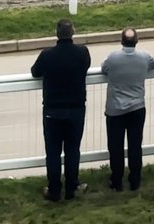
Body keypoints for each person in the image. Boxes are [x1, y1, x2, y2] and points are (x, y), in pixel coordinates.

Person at [31, 19, 91, 202]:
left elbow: (35, 72)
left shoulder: (47, 55)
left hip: (52, 111)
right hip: (75, 110)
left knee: (53, 152)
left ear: (56, 34)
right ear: (73, 32)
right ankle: (72, 187)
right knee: (73, 150)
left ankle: (54, 190)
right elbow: (85, 67)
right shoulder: (82, 53)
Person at [101, 28, 154, 192]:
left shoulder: (113, 58)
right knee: (135, 145)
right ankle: (135, 180)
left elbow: (104, 69)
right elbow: (152, 63)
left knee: (115, 146)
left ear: (121, 41)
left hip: (115, 110)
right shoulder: (144, 57)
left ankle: (116, 180)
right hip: (137, 108)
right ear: (137, 41)